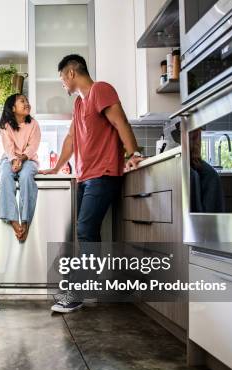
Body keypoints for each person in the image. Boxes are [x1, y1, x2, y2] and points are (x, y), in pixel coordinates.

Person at [40, 54, 144, 313]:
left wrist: (132, 154)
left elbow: (120, 122)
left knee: (86, 230)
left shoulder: (101, 90)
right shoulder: (78, 104)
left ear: (71, 73)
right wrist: (55, 166)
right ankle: (83, 287)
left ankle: (79, 292)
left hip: (104, 174)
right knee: (85, 232)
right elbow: (71, 139)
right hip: (85, 177)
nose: (63, 83)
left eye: (62, 78)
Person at [0, 93, 41, 242]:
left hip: (28, 159)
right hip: (10, 159)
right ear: (13, 108)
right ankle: (13, 219)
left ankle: (26, 220)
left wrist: (21, 159)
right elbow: (8, 148)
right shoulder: (6, 126)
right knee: (5, 176)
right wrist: (14, 159)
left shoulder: (33, 124)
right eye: (22, 101)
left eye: (27, 101)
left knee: (26, 175)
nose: (27, 103)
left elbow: (33, 146)